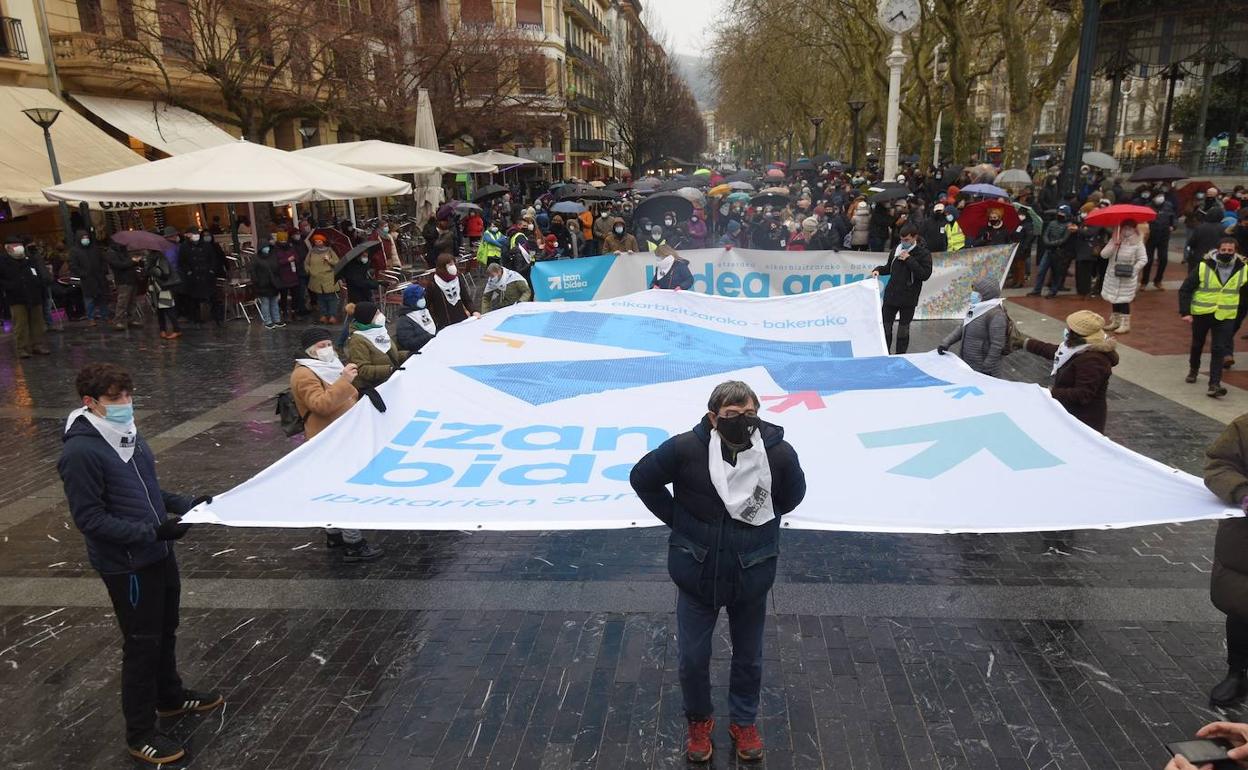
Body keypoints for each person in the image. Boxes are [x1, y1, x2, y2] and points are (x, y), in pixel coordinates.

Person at [629, 381, 806, 764]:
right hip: (698, 574)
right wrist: (678, 520)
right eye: (731, 416)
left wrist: (759, 526)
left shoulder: (778, 454)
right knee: (692, 658)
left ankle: (743, 722)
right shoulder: (685, 449)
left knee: (749, 657)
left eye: (749, 414)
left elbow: (791, 497)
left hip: (751, 575)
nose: (742, 422)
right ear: (713, 418)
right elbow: (642, 478)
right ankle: (699, 722)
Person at [57, 363, 221, 765]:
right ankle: (140, 732)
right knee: (141, 645)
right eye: (115, 398)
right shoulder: (81, 451)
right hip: (128, 564)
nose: (125, 404)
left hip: (157, 554)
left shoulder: (125, 435)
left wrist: (180, 503)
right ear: (90, 403)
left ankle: (169, 696)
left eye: (128, 395)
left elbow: (144, 489)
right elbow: (90, 519)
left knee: (166, 629)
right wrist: (152, 533)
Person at [291, 328, 383, 562]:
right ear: (310, 350)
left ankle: (334, 534)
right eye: (322, 345)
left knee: (333, 488)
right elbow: (320, 404)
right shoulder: (305, 374)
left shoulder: (329, 366)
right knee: (344, 490)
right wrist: (345, 381)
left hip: (342, 436)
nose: (327, 349)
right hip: (328, 440)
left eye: (328, 343)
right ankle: (353, 542)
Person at [1016, 310, 1118, 433]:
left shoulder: (1093, 360)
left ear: (1077, 333)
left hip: (1083, 420)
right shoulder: (1079, 348)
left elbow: (1082, 394)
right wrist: (1025, 343)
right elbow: (1056, 352)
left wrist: (1051, 393)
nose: (1066, 331)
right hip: (1069, 412)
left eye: (1069, 329)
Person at [1179, 237, 1247, 398]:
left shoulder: (1243, 268)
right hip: (1202, 313)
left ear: (1235, 252)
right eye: (1223, 250)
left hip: (1226, 315)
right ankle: (1193, 369)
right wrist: (1186, 312)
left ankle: (1214, 384)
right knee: (1197, 344)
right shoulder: (1204, 266)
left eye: (1230, 251)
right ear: (1217, 250)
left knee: (1219, 348)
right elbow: (1186, 289)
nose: (1226, 253)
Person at [871, 223, 933, 354]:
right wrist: (878, 270)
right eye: (901, 239)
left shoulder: (923, 254)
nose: (903, 242)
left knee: (903, 330)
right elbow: (888, 268)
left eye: (907, 240)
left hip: (908, 298)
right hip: (891, 296)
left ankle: (901, 355)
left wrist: (909, 259)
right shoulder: (895, 250)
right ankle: (884, 353)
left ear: (914, 237)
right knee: (885, 327)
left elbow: (924, 275)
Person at [937, 277, 1008, 377]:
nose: (973, 293)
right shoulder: (976, 309)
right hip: (968, 364)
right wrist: (945, 343)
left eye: (976, 291)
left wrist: (987, 367)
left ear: (986, 293)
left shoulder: (996, 315)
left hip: (984, 370)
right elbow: (962, 327)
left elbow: (997, 345)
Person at [0, 235, 51, 357]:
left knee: (37, 322)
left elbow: (39, 273)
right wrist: (9, 287)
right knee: (20, 324)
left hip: (34, 295)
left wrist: (39, 284)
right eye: (15, 245)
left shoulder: (29, 259)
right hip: (16, 297)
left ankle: (37, 345)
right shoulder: (3, 261)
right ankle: (22, 348)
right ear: (8, 248)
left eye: (20, 245)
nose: (19, 248)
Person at [1099, 220, 1148, 333]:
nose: (1126, 231)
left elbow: (1143, 259)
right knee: (1114, 298)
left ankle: (1125, 324)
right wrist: (1114, 245)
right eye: (1124, 228)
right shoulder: (1115, 239)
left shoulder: (1138, 243)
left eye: (1129, 228)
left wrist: (1134, 270)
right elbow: (1103, 255)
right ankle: (1115, 322)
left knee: (1124, 300)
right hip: (1113, 275)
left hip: (1127, 277)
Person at [345, 301, 407, 389]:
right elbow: (363, 370)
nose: (381, 315)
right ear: (368, 317)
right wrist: (389, 369)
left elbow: (390, 355)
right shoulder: (357, 340)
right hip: (374, 386)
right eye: (377, 313)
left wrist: (407, 355)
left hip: (389, 380)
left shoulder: (379, 330)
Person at [425, 253, 479, 330]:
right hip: (445, 324)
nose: (453, 266)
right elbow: (427, 304)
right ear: (443, 266)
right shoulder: (433, 283)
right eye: (450, 264)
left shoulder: (457, 278)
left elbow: (466, 298)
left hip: (461, 319)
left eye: (453, 263)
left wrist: (474, 311)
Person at [69, 230, 110, 326]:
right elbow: (73, 266)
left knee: (102, 298)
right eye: (83, 238)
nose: (85, 239)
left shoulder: (95, 248)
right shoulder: (75, 251)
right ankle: (91, 318)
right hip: (87, 279)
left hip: (99, 277)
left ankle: (105, 316)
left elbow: (103, 260)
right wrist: (83, 273)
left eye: (86, 237)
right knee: (89, 299)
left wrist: (103, 270)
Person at [144, 247, 182, 340]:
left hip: (164, 287)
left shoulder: (161, 259)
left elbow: (165, 274)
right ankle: (163, 330)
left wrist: (152, 270)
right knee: (160, 309)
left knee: (168, 308)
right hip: (156, 287)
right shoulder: (151, 259)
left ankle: (176, 329)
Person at [1143, 192, 1176, 289]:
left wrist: (1173, 226)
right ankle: (1144, 281)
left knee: (1163, 259)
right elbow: (1144, 220)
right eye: (1157, 196)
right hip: (1151, 236)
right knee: (1148, 260)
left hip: (1164, 236)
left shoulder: (1168, 206)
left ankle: (1158, 280)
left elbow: (1173, 217)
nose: (1160, 198)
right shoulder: (1148, 207)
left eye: (1161, 196)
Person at [306, 234, 340, 323]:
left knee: (331, 298)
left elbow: (337, 262)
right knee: (320, 299)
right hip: (316, 279)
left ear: (323, 242)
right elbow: (306, 263)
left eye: (319, 241)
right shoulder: (311, 252)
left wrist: (329, 260)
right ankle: (323, 315)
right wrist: (309, 271)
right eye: (316, 241)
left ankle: (332, 315)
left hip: (328, 278)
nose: (318, 243)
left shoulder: (329, 251)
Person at [395, 284, 436, 354]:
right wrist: (429, 336)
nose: (423, 299)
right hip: (420, 354)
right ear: (412, 300)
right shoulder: (404, 320)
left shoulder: (424, 311)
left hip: (432, 347)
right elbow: (408, 343)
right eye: (421, 297)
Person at [249, 244, 284, 329]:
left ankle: (277, 320)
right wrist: (257, 282)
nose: (267, 249)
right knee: (265, 303)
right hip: (262, 284)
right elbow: (253, 271)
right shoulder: (256, 258)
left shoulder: (272, 257)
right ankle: (268, 321)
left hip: (272, 284)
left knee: (274, 303)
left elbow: (277, 268)